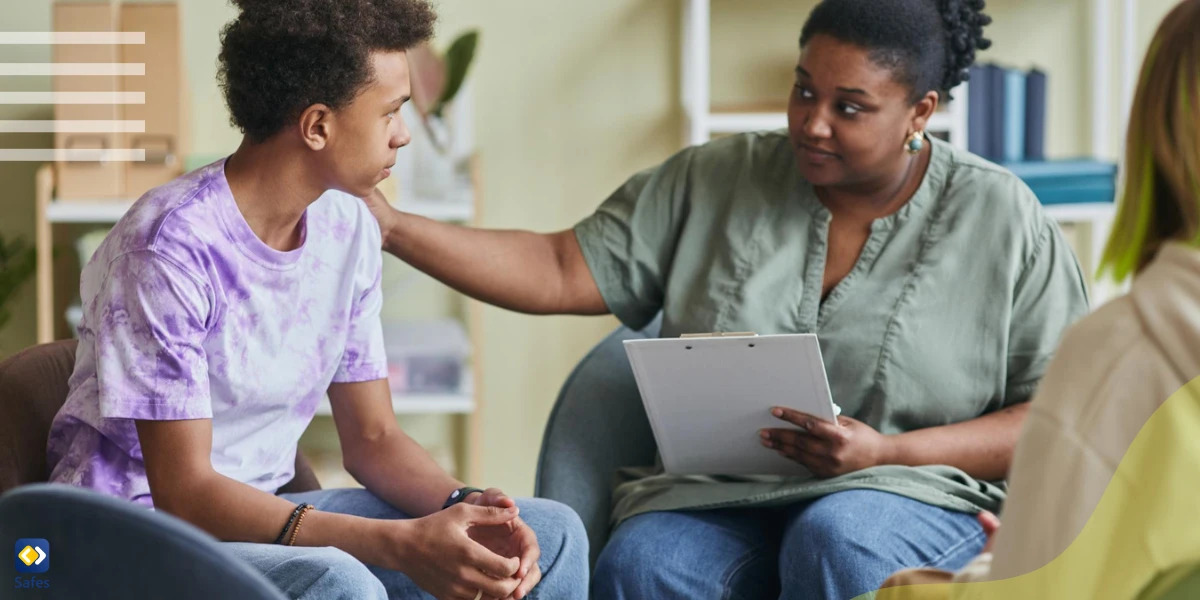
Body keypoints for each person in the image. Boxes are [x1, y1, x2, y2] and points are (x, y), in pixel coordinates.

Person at [361, 0, 1091, 597]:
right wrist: (391, 227)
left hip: (915, 493)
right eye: (804, 89)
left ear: (919, 112)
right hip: (720, 493)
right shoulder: (716, 178)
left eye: (851, 107)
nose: (812, 122)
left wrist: (888, 450)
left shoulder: (1003, 219)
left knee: (837, 536)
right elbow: (559, 266)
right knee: (648, 561)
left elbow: (1057, 416)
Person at [44, 1, 588, 598]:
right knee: (339, 582)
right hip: (131, 534)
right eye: (391, 112)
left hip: (265, 512)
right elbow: (187, 494)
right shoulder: (167, 249)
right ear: (318, 126)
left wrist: (465, 506)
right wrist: (400, 544)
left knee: (549, 533)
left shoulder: (347, 225)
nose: (403, 134)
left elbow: (374, 439)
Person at [880, 0, 1200, 596]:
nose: (817, 126)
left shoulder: (1124, 357)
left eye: (851, 106)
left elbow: (1039, 588)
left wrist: (935, 582)